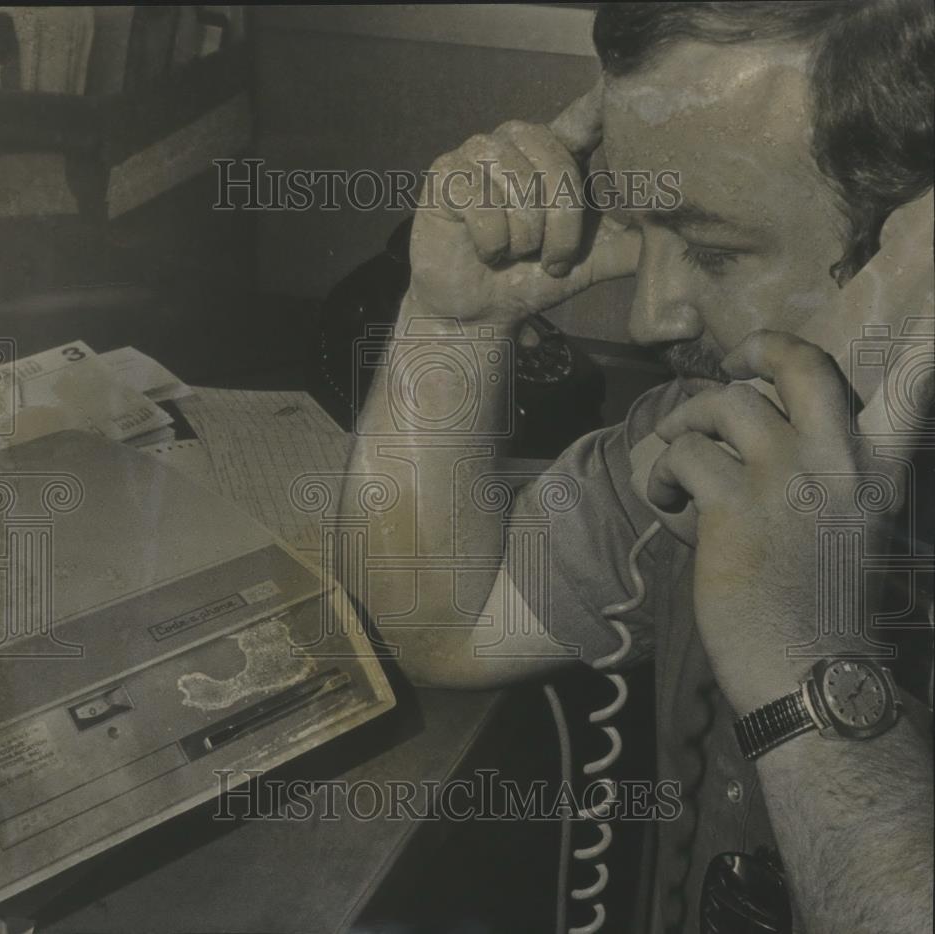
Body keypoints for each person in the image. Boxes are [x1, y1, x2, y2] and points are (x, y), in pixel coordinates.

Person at [343, 2, 934, 931]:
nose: (648, 316)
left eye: (710, 248)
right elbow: (437, 626)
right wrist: (454, 324)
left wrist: (806, 657)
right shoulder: (736, 442)